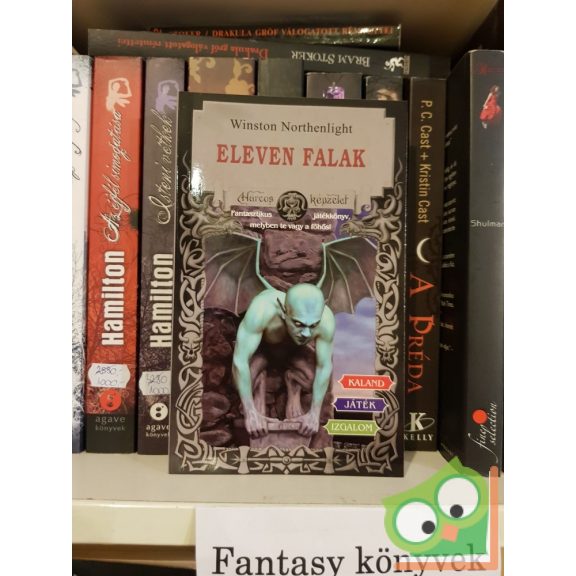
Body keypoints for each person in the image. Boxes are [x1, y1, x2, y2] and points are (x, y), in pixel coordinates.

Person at [232, 283, 335, 440]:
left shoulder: (325, 319)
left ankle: (293, 381)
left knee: (315, 381)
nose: (306, 334)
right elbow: (240, 361)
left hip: (295, 354)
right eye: (299, 324)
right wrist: (250, 412)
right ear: (283, 310)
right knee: (239, 380)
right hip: (262, 353)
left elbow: (324, 367)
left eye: (313, 326)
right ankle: (259, 384)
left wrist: (314, 414)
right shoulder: (262, 309)